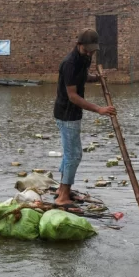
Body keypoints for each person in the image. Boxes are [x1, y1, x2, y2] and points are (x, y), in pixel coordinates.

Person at [54, 29, 117, 208]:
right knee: (74, 155)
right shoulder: (70, 63)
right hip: (66, 114)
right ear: (78, 45)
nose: (89, 53)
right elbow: (73, 95)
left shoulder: (85, 58)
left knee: (69, 154)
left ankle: (62, 189)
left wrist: (95, 77)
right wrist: (99, 109)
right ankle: (62, 198)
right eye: (86, 49)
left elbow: (81, 78)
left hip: (73, 114)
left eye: (92, 50)